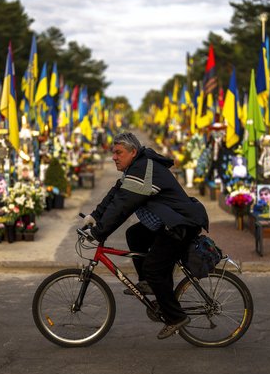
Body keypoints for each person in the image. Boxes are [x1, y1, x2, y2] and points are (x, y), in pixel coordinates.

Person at [83, 132, 208, 340]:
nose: (114, 157)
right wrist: (94, 217)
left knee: (154, 267)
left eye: (118, 153)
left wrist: (98, 232)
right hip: (170, 223)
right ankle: (150, 283)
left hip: (180, 225)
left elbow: (122, 206)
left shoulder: (142, 170)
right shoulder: (136, 167)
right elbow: (115, 194)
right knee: (135, 234)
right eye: (113, 152)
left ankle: (175, 317)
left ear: (133, 152)